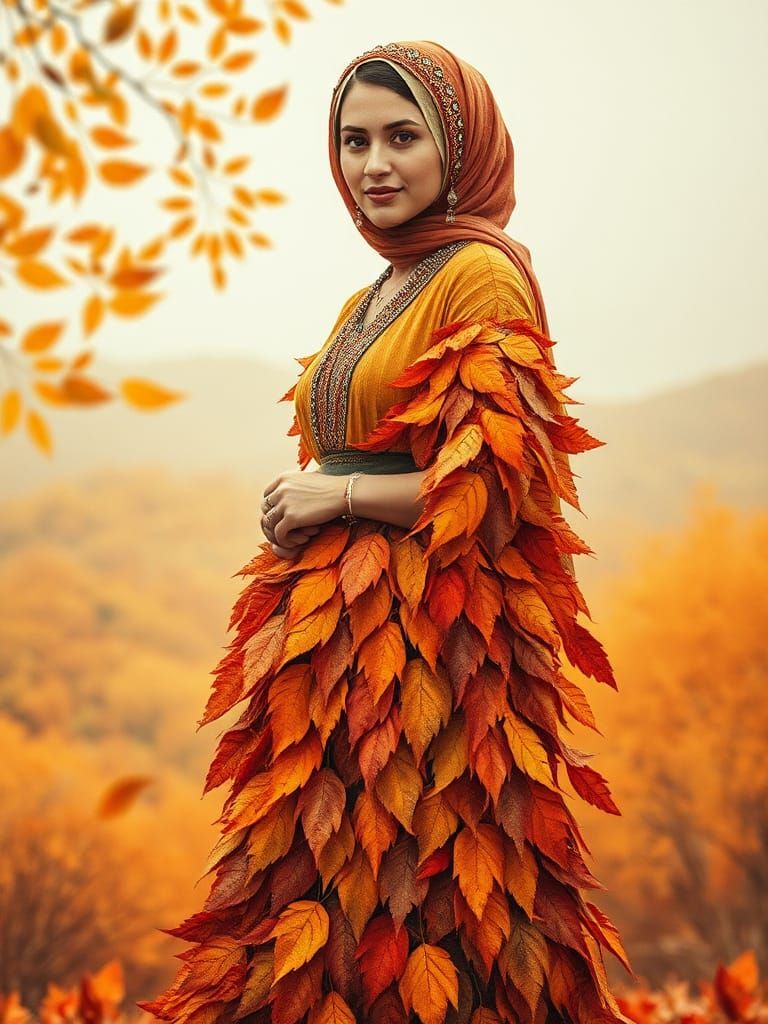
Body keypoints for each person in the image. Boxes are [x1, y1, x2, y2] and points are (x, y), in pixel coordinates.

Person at [138, 40, 637, 1024]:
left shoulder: (480, 278)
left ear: (461, 147)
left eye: (402, 137)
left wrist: (340, 499)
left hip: (436, 648)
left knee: (433, 894)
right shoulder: (377, 291)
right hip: (336, 647)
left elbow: (502, 492)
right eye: (354, 140)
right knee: (315, 900)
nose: (374, 165)